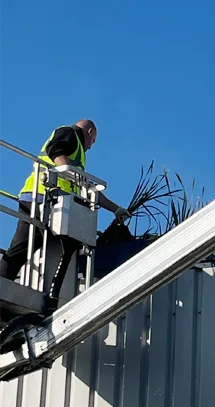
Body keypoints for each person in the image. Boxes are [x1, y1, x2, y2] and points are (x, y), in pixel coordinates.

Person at [0, 119, 131, 309]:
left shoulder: (77, 156)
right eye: (92, 141)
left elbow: (89, 188)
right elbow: (55, 150)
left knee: (22, 248)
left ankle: (8, 284)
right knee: (29, 247)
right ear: (89, 131)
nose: (90, 147)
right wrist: (68, 171)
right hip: (42, 198)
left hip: (47, 202)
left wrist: (115, 209)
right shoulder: (70, 134)